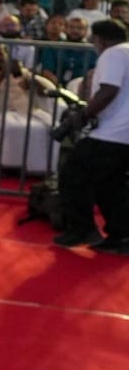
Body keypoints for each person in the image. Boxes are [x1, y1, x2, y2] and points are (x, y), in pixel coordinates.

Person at [53, 19, 129, 251]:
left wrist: (83, 115)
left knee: (72, 175)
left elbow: (108, 90)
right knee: (111, 185)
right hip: (123, 133)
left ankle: (82, 229)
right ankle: (122, 235)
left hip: (111, 133)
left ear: (100, 39)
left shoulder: (113, 54)